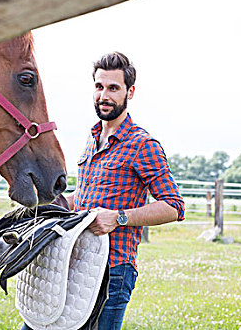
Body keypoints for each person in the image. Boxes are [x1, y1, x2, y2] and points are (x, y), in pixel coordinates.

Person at [65, 51, 185, 329]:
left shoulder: (143, 144)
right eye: (99, 86)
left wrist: (118, 218)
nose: (104, 95)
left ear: (129, 92)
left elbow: (174, 206)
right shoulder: (92, 138)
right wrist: (53, 203)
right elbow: (85, 197)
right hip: (76, 260)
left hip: (113, 269)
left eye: (113, 88)